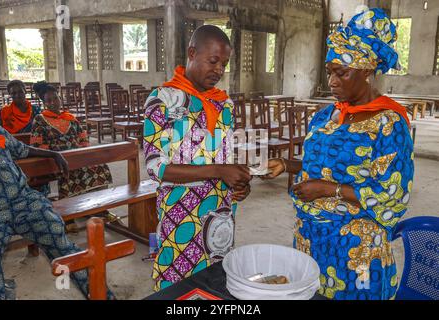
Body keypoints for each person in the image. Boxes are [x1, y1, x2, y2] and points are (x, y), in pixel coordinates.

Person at [264, 8, 414, 300]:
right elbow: (321, 165)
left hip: (356, 250)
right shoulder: (324, 116)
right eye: (329, 71)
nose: (332, 81)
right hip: (311, 240)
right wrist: (287, 164)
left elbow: (392, 195)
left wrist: (327, 190)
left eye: (341, 72)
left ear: (367, 70)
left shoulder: (389, 124)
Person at [143, 25, 252, 291]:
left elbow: (225, 158)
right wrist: (218, 171)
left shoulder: (224, 104)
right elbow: (157, 167)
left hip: (220, 214)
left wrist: (239, 184)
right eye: (213, 61)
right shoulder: (163, 100)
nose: (219, 70)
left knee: (215, 283)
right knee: (177, 287)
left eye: (224, 64)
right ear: (192, 53)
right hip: (180, 215)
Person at [0, 123, 94, 300]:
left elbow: (23, 149)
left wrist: (53, 153)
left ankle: (98, 292)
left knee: (56, 232)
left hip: (23, 201)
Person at [31, 81, 112, 199]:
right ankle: (73, 206)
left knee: (99, 165)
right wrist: (53, 155)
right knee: (70, 171)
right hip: (57, 159)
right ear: (44, 103)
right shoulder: (40, 119)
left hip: (76, 154)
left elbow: (82, 137)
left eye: (55, 98)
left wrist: (83, 152)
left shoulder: (69, 117)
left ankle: (97, 203)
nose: (53, 102)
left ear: (60, 98)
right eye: (49, 100)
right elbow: (37, 144)